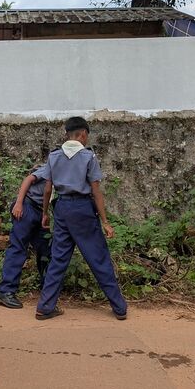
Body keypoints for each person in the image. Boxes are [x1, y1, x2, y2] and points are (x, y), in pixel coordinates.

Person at [36, 117, 127, 321]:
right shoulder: (88, 157)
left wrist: (44, 214)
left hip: (62, 208)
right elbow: (96, 191)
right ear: (83, 134)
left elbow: (48, 189)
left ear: (67, 134)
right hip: (82, 208)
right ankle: (119, 307)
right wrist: (105, 221)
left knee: (58, 258)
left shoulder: (54, 156)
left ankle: (45, 306)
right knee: (97, 256)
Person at [0, 163, 52, 309]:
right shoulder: (52, 166)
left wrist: (46, 213)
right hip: (27, 206)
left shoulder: (65, 172)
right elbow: (28, 180)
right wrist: (19, 204)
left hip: (39, 211)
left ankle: (48, 286)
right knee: (18, 247)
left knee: (46, 249)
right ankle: (5, 291)